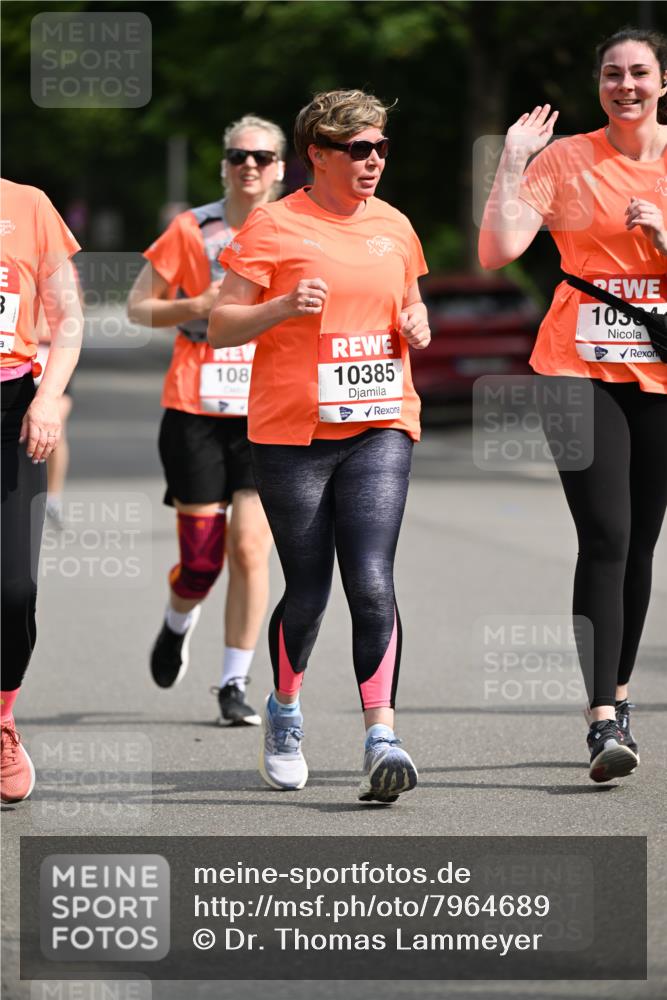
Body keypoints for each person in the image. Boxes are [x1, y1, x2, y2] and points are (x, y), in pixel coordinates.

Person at [209, 90, 430, 802]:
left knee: (370, 579)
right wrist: (279, 306)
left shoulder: (394, 225)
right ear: (319, 155)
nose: (374, 161)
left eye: (380, 148)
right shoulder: (273, 225)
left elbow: (408, 300)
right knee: (306, 593)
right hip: (292, 433)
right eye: (359, 149)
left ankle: (381, 735)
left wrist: (417, 322)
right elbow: (220, 326)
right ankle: (284, 711)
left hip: (379, 422)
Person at [479, 27, 667, 782]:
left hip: (658, 367)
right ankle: (598, 721)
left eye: (639, 73)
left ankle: (618, 701)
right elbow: (498, 250)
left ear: (663, 82)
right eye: (612, 75)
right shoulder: (565, 159)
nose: (625, 86)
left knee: (642, 545)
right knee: (605, 535)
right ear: (599, 86)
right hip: (574, 363)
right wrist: (512, 160)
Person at [127, 115, 285, 725]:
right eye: (238, 155)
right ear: (225, 164)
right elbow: (139, 307)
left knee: (250, 549)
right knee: (201, 562)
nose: (250, 166)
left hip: (265, 408)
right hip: (195, 404)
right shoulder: (192, 229)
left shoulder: (294, 228)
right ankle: (176, 623)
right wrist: (198, 304)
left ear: (279, 168)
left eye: (263, 157)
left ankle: (233, 683)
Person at [1, 178, 82, 803]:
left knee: (15, 587)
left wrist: (49, 397)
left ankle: (3, 718)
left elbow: (68, 319)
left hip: (11, 407)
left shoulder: (27, 204)